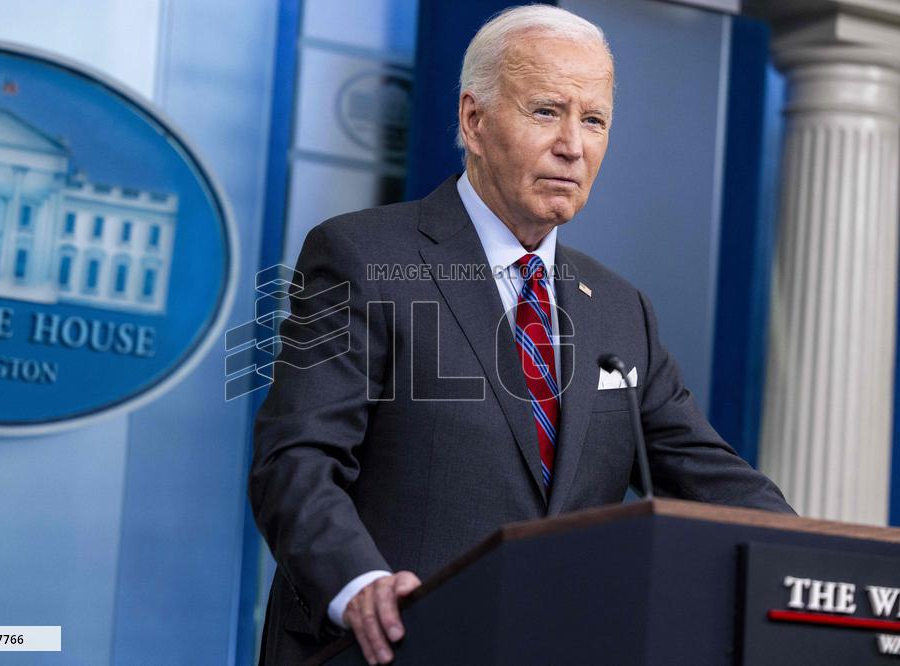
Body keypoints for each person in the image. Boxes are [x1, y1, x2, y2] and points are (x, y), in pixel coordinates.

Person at [250, 5, 792, 664]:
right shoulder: (361, 256)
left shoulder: (622, 312)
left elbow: (718, 484)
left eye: (593, 120)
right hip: (387, 649)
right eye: (546, 112)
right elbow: (296, 463)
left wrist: (831, 566)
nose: (573, 144)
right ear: (473, 121)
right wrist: (361, 585)